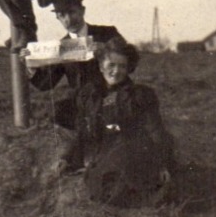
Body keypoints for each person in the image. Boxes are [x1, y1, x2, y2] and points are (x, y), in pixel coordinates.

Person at [72, 36, 176, 208]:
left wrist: (162, 164)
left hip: (132, 152)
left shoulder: (141, 95)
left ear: (129, 69)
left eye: (122, 66)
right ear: (100, 66)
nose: (116, 71)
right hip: (102, 151)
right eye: (111, 65)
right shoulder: (88, 95)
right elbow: (82, 131)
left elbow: (155, 131)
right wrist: (67, 157)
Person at [26, 0, 123, 135]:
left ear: (82, 11)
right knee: (59, 111)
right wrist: (31, 70)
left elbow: (131, 61)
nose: (68, 20)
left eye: (72, 12)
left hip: (111, 96)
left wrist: (107, 51)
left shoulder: (107, 33)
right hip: (84, 104)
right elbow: (46, 84)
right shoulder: (61, 47)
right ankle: (88, 136)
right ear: (57, 18)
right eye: (62, 15)